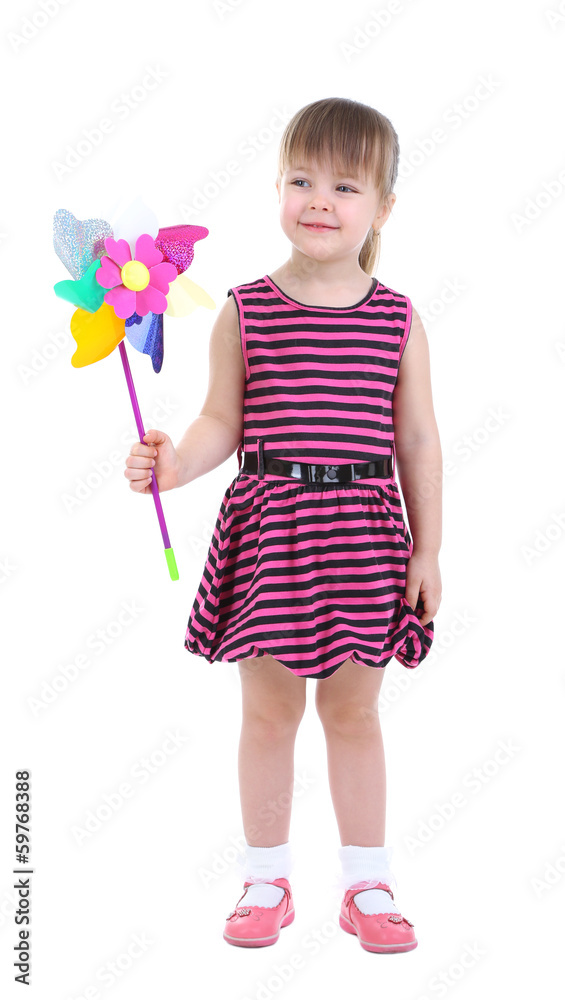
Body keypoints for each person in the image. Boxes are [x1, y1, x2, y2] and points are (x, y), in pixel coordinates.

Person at [124, 97, 442, 953]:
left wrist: (428, 549)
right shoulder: (246, 309)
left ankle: (367, 884)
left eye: (345, 186)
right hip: (271, 532)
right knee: (268, 714)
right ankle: (265, 879)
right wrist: (175, 463)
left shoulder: (397, 318)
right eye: (301, 180)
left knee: (354, 713)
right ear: (276, 189)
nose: (319, 201)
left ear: (382, 207)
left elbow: (417, 440)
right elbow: (219, 422)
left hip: (365, 539)